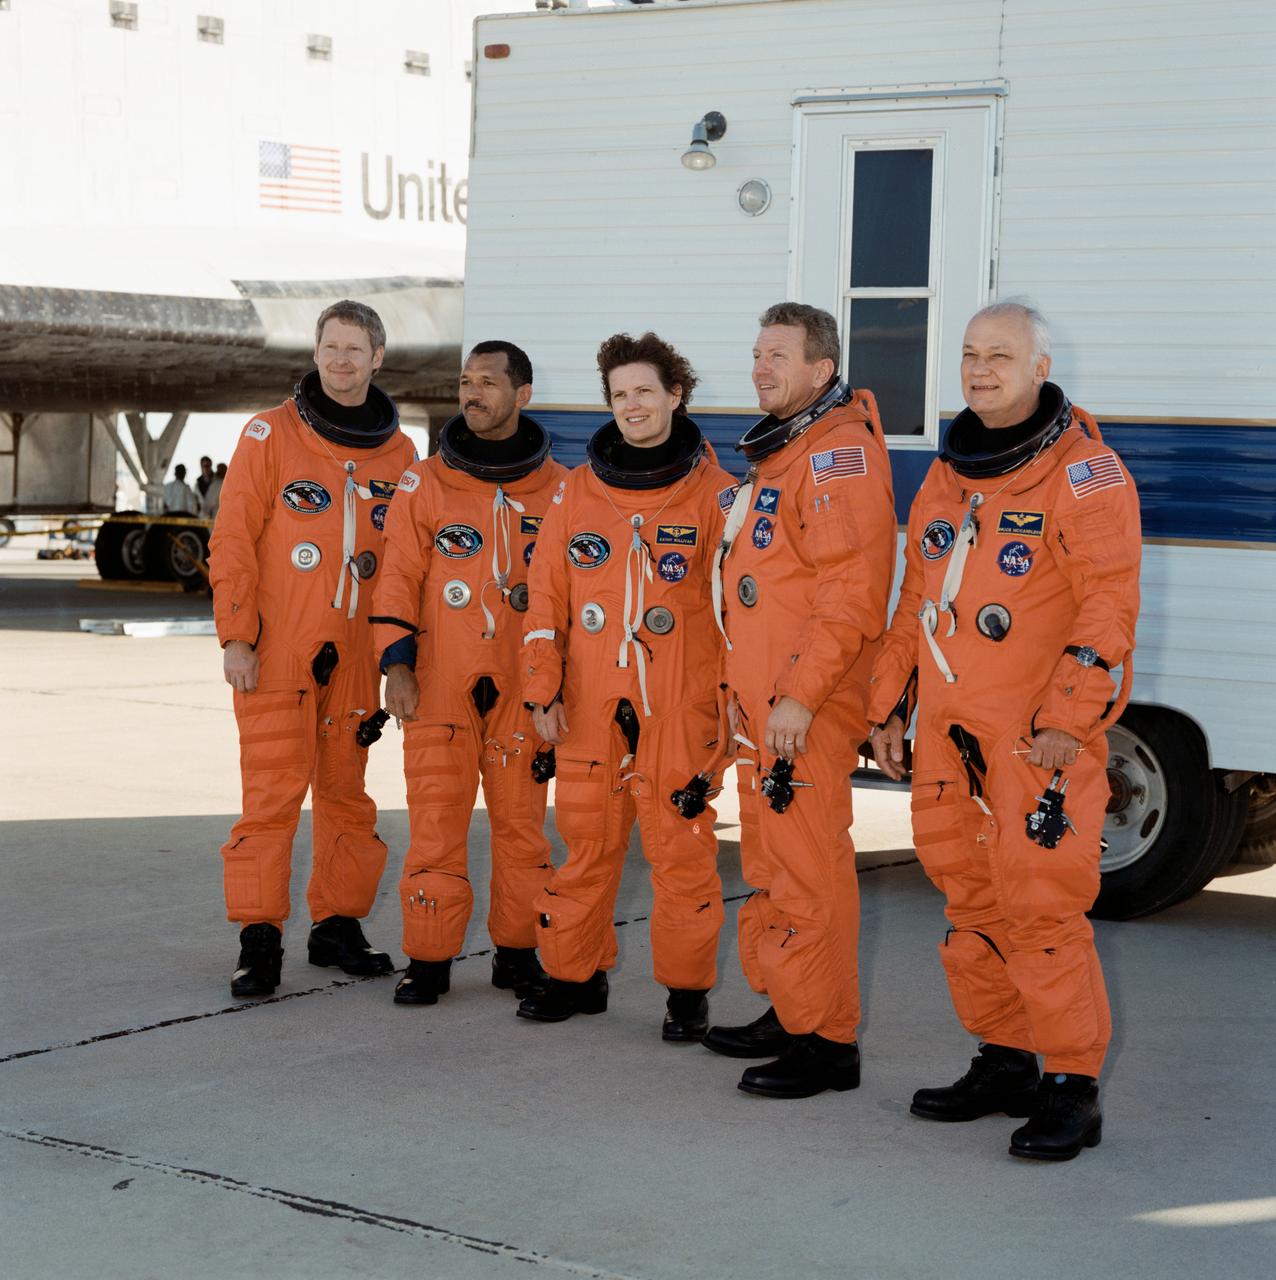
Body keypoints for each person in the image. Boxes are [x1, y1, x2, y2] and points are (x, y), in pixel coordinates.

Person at [868, 301, 1141, 1161]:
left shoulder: (1085, 473)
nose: (980, 370)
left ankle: (1071, 1086)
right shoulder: (953, 474)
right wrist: (887, 705)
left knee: (1042, 910)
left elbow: (1109, 605)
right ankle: (1004, 1058)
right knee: (971, 905)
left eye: (1000, 356)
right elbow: (918, 602)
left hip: (1035, 741)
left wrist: (1069, 718)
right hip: (951, 737)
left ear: (1039, 365)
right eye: (970, 355)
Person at [704, 302, 896, 1098]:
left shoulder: (837, 457)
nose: (759, 367)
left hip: (800, 712)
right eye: (755, 353)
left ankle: (827, 1043)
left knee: (811, 873)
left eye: (777, 355)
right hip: (763, 709)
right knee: (774, 868)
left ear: (821, 370)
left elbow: (851, 595)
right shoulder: (784, 457)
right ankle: (791, 1007)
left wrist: (802, 698)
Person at [517, 332, 732, 1039]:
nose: (632, 405)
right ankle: (573, 975)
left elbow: (739, 617)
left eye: (645, 391)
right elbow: (543, 602)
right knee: (586, 842)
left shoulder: (720, 497)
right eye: (619, 395)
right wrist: (542, 691)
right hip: (590, 702)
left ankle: (685, 993)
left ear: (676, 395)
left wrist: (729, 712)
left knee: (680, 848)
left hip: (680, 702)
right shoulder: (576, 492)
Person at [209, 300, 416, 998]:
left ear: (377, 358)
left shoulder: (400, 454)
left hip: (357, 657)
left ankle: (336, 925)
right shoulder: (270, 434)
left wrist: (399, 660)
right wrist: (237, 636)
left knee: (347, 796)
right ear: (317, 352)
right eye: (330, 346)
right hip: (278, 652)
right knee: (271, 796)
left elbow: (408, 567)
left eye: (355, 348)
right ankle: (258, 938)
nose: (341, 359)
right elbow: (232, 540)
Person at [373, 341, 567, 1007]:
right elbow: (396, 575)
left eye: (487, 382)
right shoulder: (424, 483)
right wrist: (395, 664)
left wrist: (560, 685)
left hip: (523, 687)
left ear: (524, 394)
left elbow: (572, 594)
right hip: (437, 681)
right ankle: (428, 960)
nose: (472, 393)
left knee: (522, 829)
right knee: (434, 822)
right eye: (465, 381)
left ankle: (517, 955)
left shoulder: (562, 490)